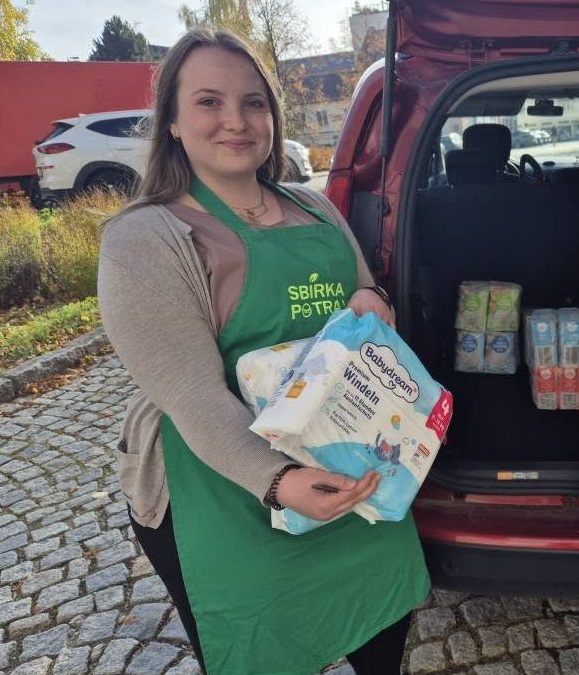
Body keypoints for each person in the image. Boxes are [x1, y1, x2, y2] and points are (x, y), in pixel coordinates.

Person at [98, 29, 428, 675]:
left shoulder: (311, 206)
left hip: (349, 461)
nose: (236, 121)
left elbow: (360, 286)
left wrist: (369, 296)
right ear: (171, 119)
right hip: (223, 489)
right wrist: (277, 481)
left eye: (254, 103)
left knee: (381, 633)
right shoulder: (146, 237)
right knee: (259, 650)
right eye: (209, 102)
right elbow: (190, 395)